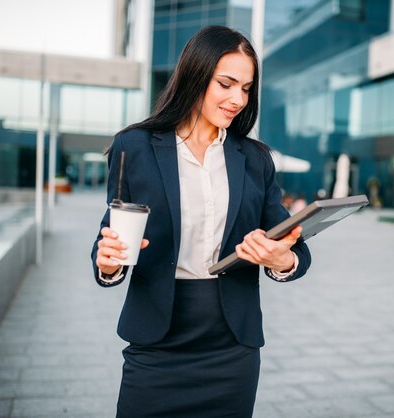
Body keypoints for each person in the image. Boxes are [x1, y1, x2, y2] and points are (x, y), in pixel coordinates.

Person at [91, 26, 311, 417]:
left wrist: (282, 260)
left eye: (246, 88)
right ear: (196, 74)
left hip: (231, 346)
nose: (237, 99)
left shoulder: (255, 159)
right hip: (157, 343)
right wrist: (108, 263)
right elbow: (110, 236)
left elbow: (295, 246)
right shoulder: (134, 146)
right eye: (226, 84)